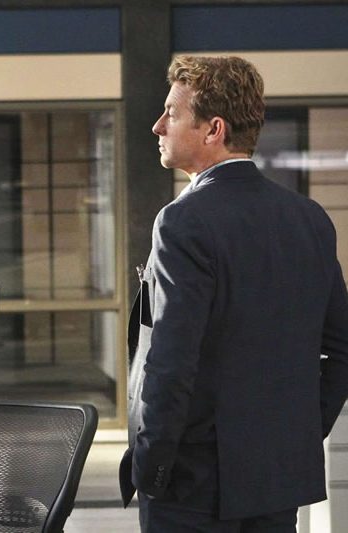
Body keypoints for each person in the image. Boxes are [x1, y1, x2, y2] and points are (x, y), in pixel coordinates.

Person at [119, 55, 348, 531]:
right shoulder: (309, 219)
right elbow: (341, 349)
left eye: (172, 113)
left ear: (213, 130)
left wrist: (152, 466)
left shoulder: (184, 221)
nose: (158, 125)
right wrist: (299, 436)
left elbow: (171, 358)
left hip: (192, 481)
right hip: (277, 476)